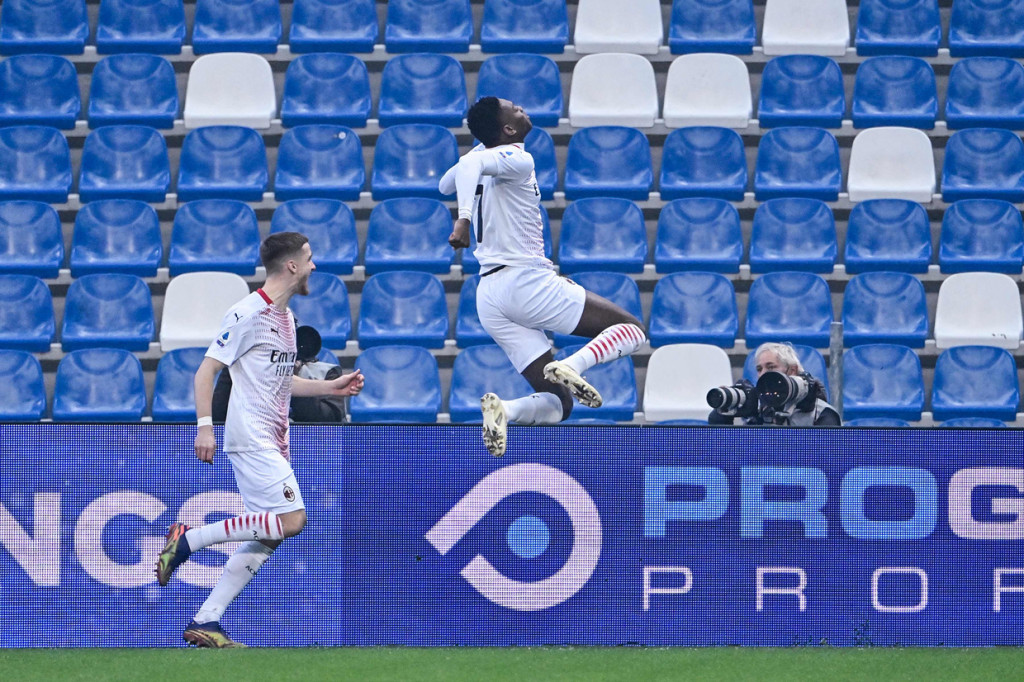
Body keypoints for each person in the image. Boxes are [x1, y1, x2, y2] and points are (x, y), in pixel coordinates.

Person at [154, 232, 365, 648]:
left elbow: (283, 384)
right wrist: (204, 426)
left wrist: (332, 388)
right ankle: (187, 539)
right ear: (291, 266)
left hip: (274, 435)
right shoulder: (246, 313)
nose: (313, 266)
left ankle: (207, 620)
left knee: (267, 534)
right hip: (250, 435)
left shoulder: (286, 319)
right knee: (293, 521)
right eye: (308, 258)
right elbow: (205, 371)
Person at [440, 96, 648, 457]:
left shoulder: (482, 162)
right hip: (525, 282)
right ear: (508, 129)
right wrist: (463, 219)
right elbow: (462, 175)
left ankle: (507, 410)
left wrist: (478, 150)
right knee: (632, 329)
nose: (523, 108)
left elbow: (447, 181)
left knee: (559, 403)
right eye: (515, 110)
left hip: (489, 294)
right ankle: (571, 364)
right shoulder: (520, 159)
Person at [707, 342, 841, 426]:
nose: (763, 374)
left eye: (771, 367)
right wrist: (723, 412)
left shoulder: (821, 413)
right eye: (759, 369)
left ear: (792, 370)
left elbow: (827, 461)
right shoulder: (759, 409)